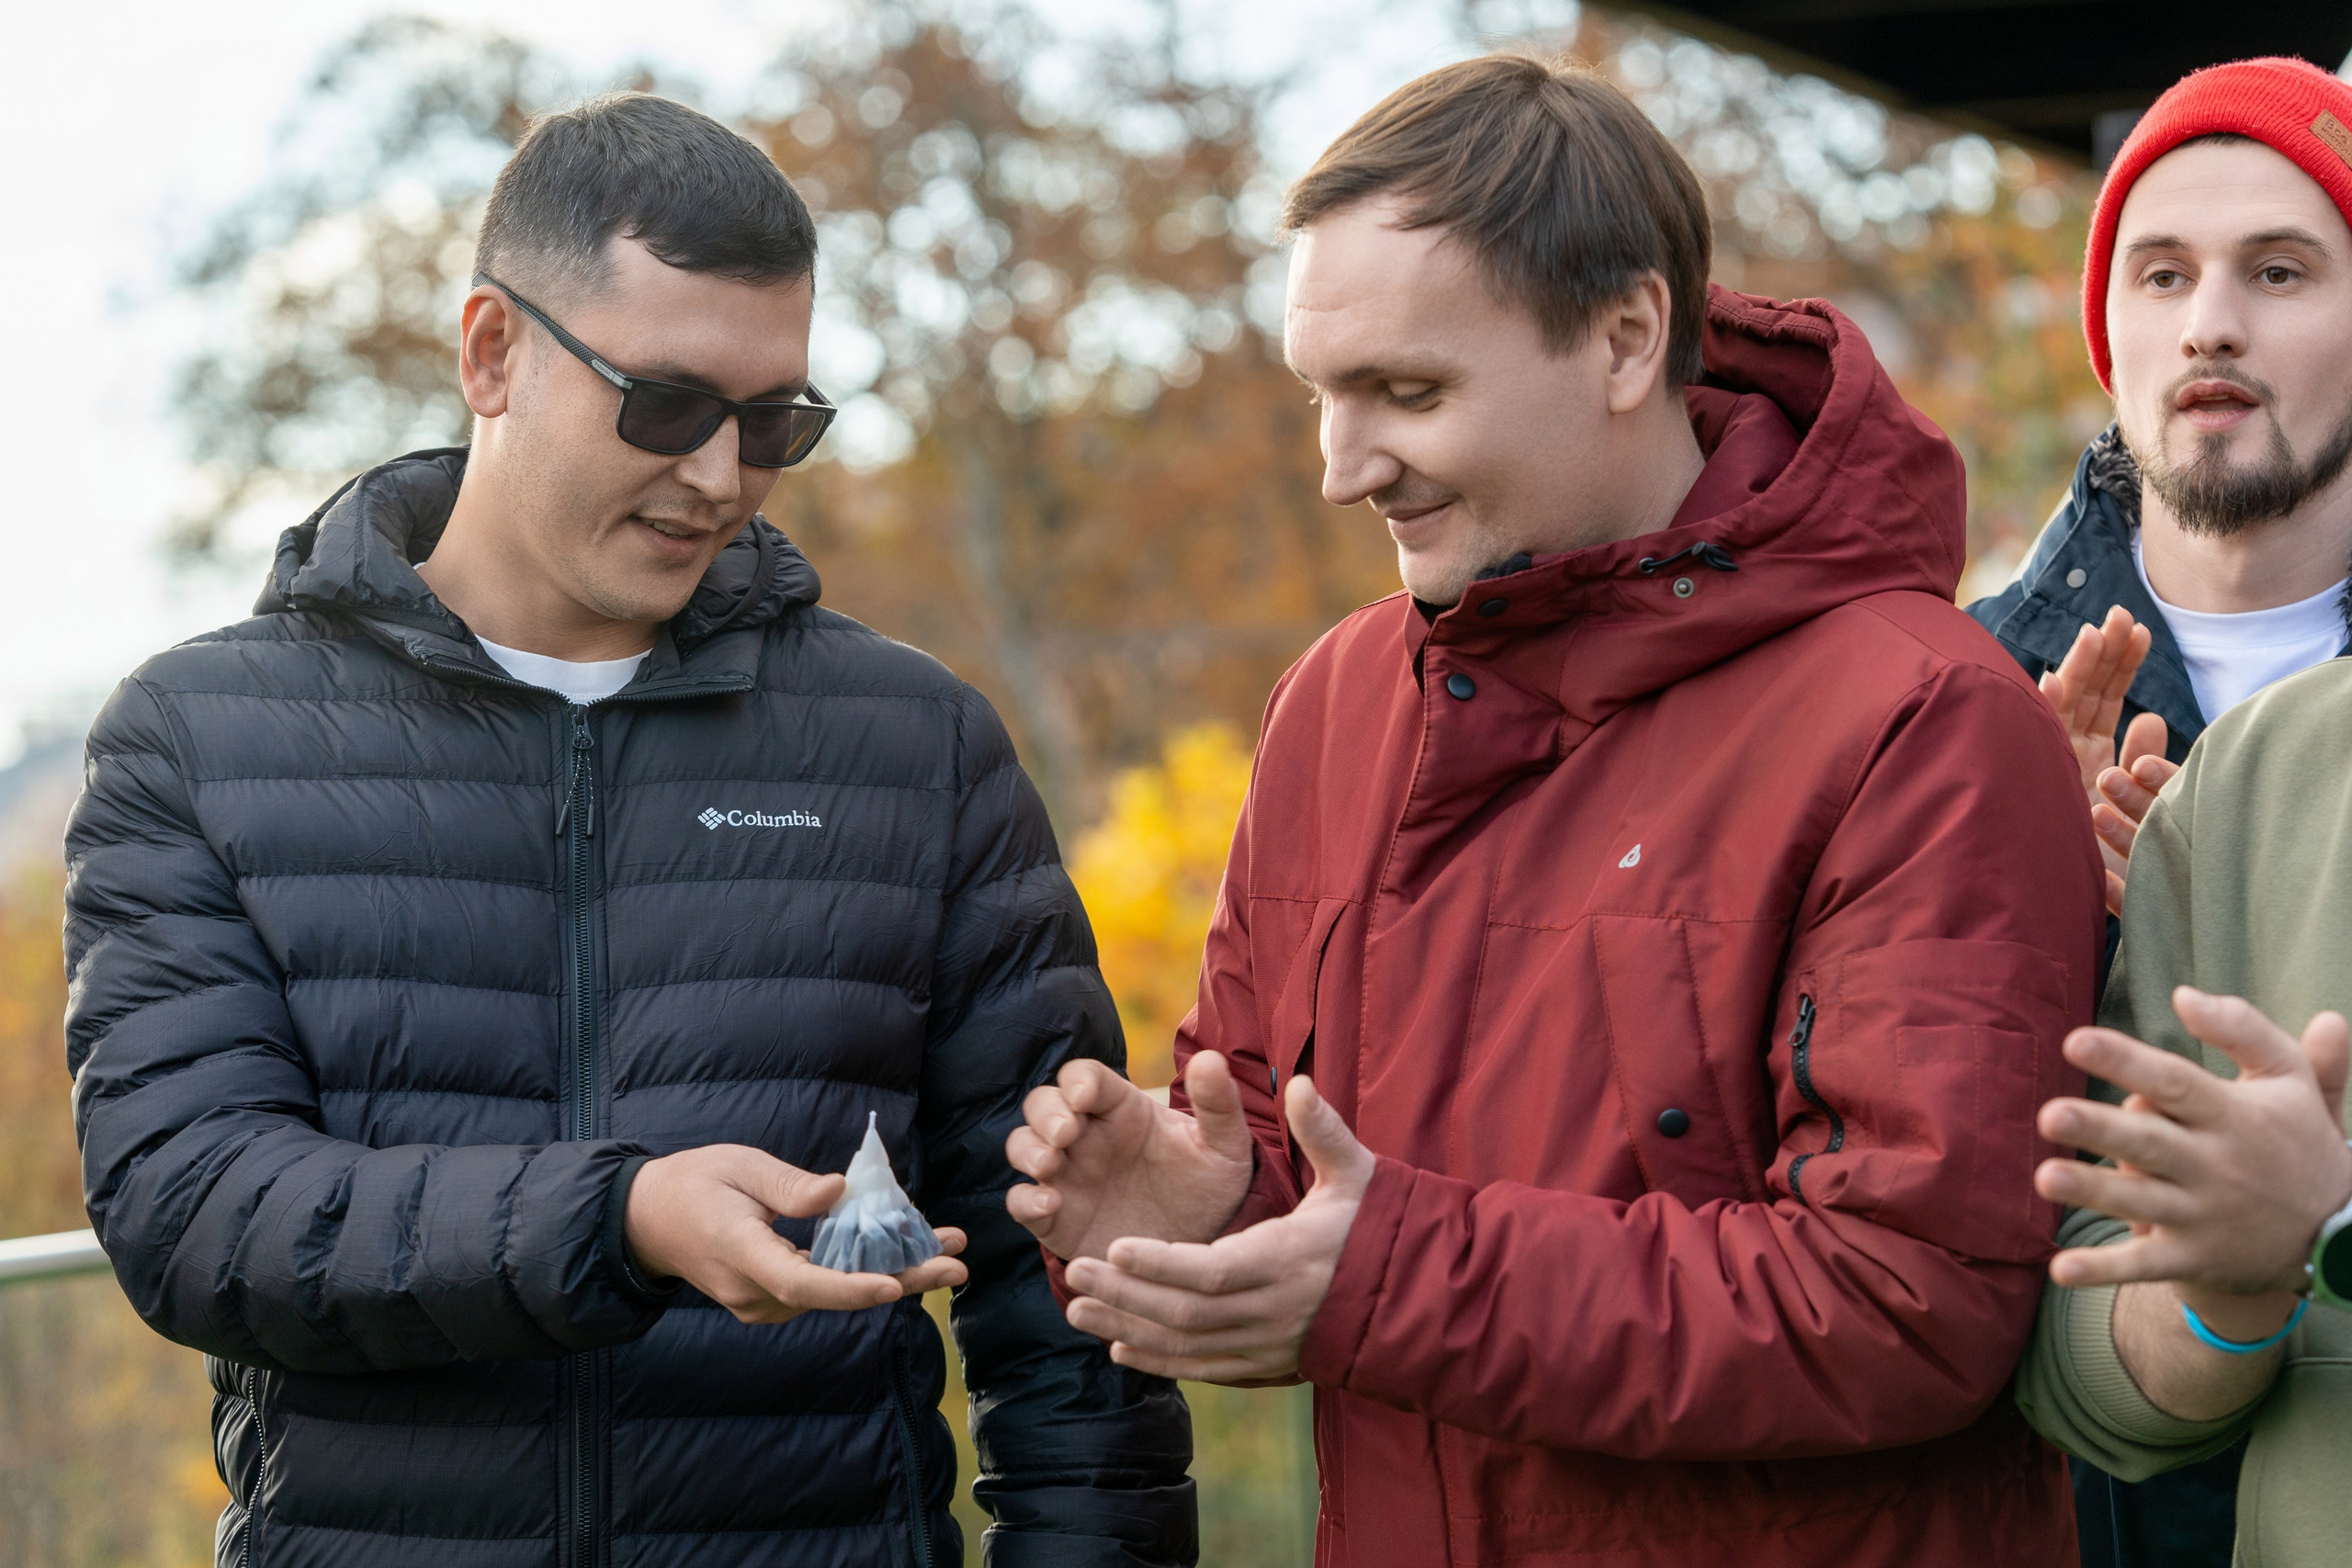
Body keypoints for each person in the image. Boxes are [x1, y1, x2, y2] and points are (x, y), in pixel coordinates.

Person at [64, 93, 1194, 1568]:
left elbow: (1067, 1288)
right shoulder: (199, 738)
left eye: (772, 421)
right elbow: (196, 1212)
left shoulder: (917, 745)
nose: (720, 477)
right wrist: (625, 1218)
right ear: (492, 353)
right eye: (663, 406)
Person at [1003, 52, 2103, 1566]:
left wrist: (1385, 1274)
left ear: (1626, 338)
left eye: (1409, 391)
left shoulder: (1925, 723)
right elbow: (1301, 1149)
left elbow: (1903, 1303)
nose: (1342, 469)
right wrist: (1198, 1203)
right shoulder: (1336, 703)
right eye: (1325, 395)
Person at [2006, 56, 2352, 1568]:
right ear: (2109, 335)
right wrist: (2016, 907)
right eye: (2161, 274)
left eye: (2279, 269)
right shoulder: (1940, 701)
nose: (2211, 318)